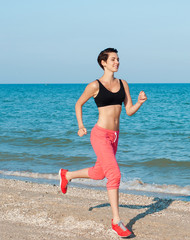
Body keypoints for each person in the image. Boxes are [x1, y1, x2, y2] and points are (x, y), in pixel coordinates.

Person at [59, 48, 147, 238]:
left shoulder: (123, 83)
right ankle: (116, 221)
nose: (117, 62)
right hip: (99, 135)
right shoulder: (95, 85)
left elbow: (129, 111)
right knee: (114, 174)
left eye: (118, 59)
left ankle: (67, 176)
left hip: (115, 137)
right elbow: (78, 104)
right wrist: (81, 126)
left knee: (100, 173)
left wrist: (139, 102)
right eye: (113, 59)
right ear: (103, 63)